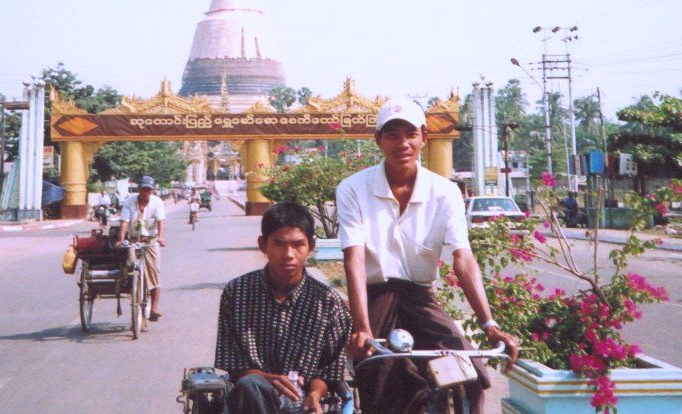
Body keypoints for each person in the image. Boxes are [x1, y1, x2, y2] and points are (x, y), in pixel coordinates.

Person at [336, 99, 519, 414]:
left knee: (468, 373)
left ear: (423, 137)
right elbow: (353, 258)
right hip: (377, 296)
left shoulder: (445, 191)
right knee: (379, 372)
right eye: (392, 134)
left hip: (420, 296)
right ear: (379, 140)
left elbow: (462, 258)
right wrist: (361, 325)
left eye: (410, 133)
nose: (402, 143)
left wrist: (489, 324)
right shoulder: (354, 188)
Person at [215, 202, 352, 414]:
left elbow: (329, 371)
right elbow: (234, 366)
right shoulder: (237, 293)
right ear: (263, 245)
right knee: (251, 386)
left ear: (311, 246)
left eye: (298, 244)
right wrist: (269, 380)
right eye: (279, 244)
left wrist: (314, 395)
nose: (289, 254)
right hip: (251, 400)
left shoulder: (329, 302)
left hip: (304, 402)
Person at [116, 175, 166, 325]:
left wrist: (161, 237)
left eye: (149, 190)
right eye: (144, 189)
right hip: (133, 240)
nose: (146, 192)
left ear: (152, 191)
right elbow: (124, 222)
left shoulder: (157, 202)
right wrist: (121, 239)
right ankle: (130, 284)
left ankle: (153, 309)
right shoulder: (130, 201)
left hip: (150, 241)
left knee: (155, 273)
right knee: (131, 264)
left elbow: (160, 221)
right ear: (138, 189)